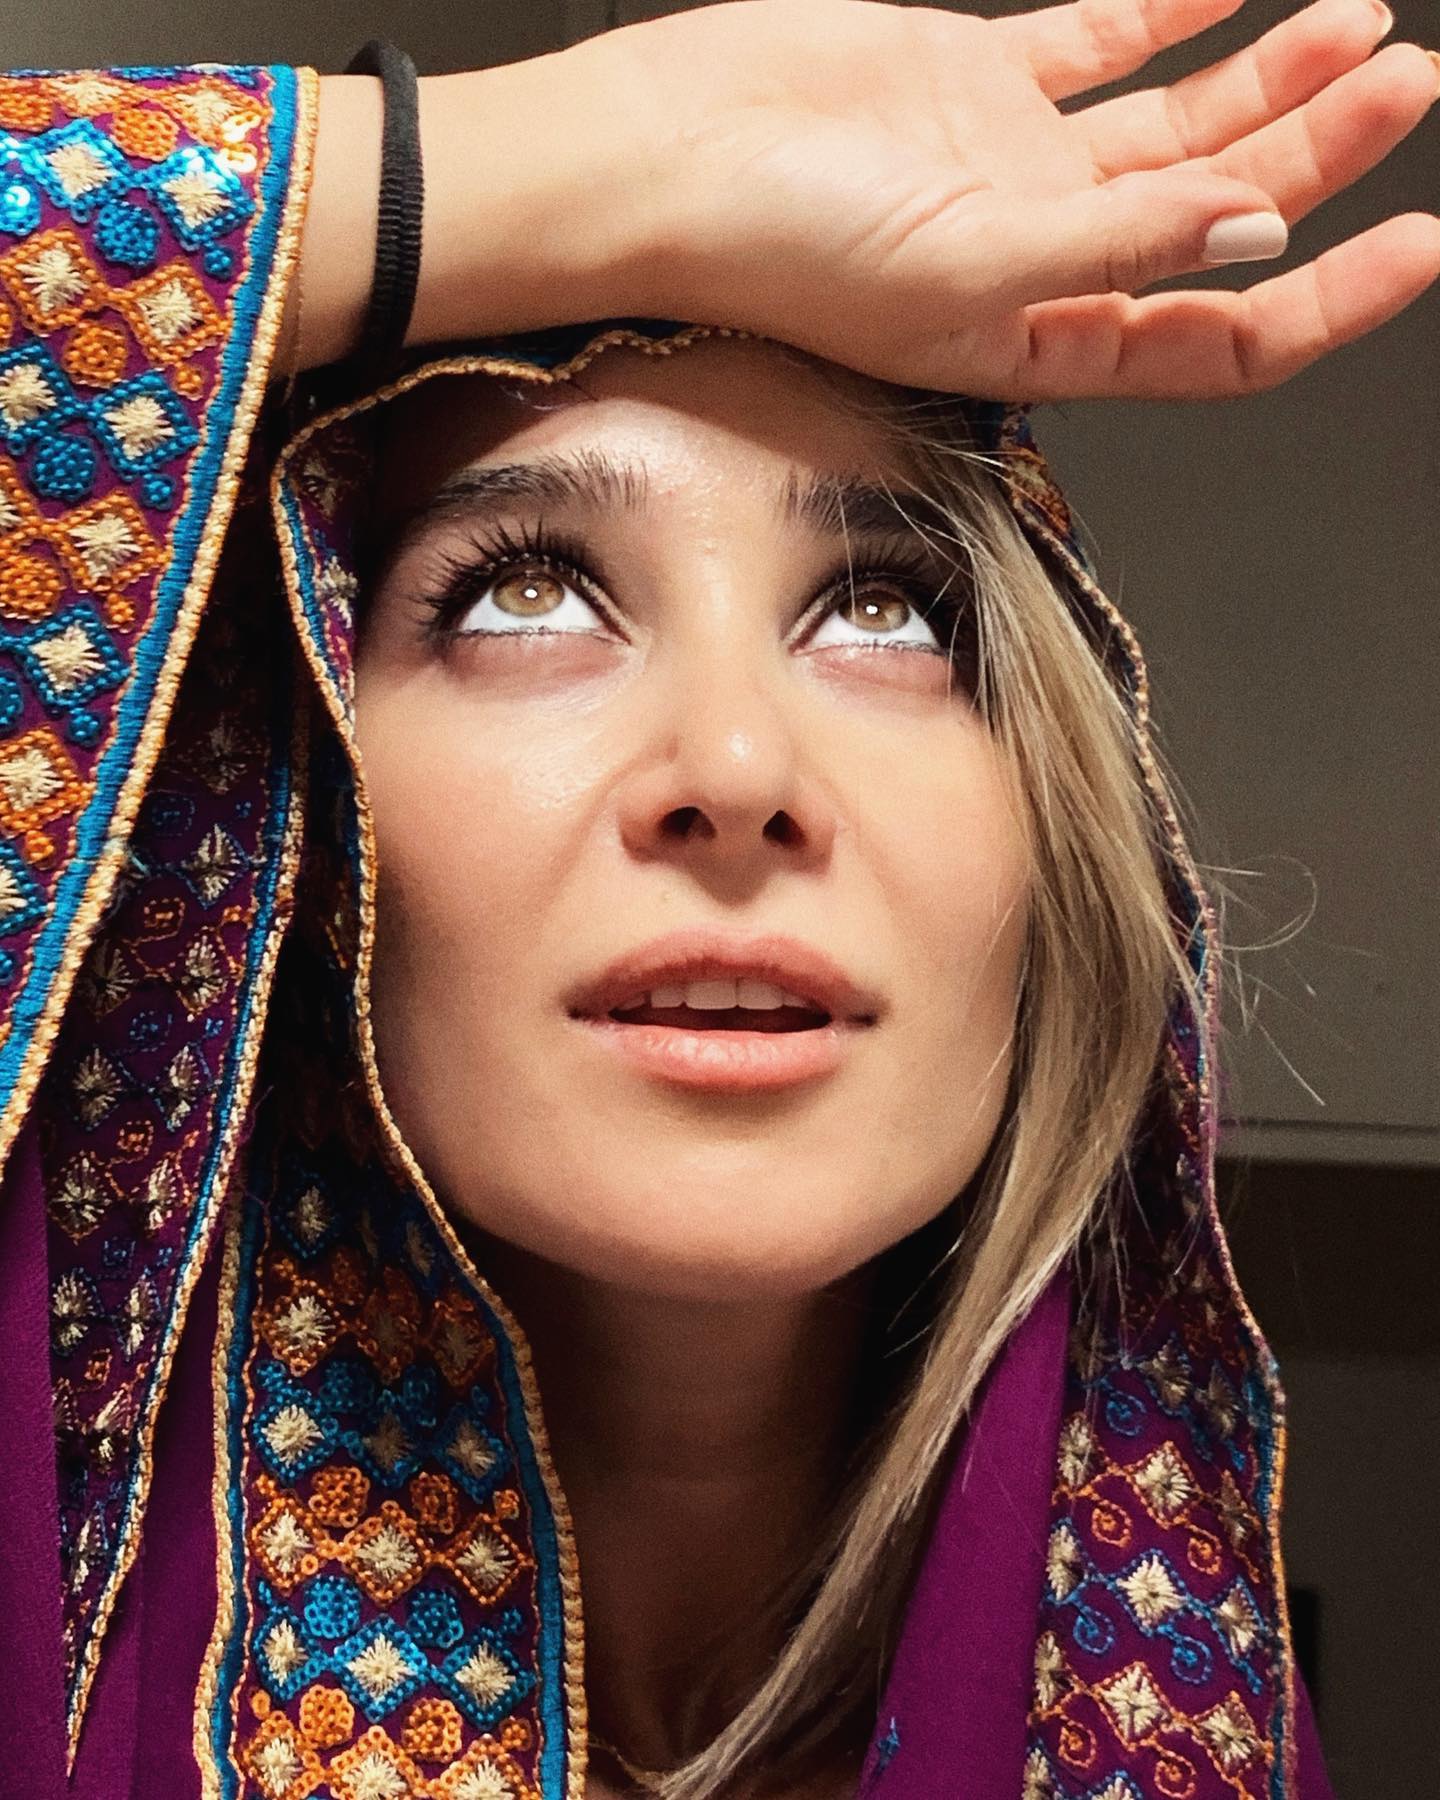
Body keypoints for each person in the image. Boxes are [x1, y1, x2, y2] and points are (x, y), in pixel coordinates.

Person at [0, 4, 1434, 1797]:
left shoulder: (1181, 1712)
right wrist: (591, 165)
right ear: (284, 813)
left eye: (886, 611)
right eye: (525, 593)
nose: (740, 765)